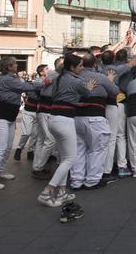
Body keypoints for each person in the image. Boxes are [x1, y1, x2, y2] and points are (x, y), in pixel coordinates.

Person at [38, 54, 95, 207]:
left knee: (65, 157)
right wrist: (89, 88)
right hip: (64, 119)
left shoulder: (58, 78)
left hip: (54, 118)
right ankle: (47, 191)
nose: (82, 68)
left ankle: (62, 192)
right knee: (71, 158)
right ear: (72, 67)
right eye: (80, 66)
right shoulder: (76, 81)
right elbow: (88, 94)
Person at [0, 57, 44, 190]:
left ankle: (0, 171)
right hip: (0, 116)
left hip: (9, 116)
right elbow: (27, 87)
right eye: (15, 64)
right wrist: (45, 82)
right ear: (8, 66)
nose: (17, 65)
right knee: (1, 148)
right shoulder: (7, 79)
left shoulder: (13, 78)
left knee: (7, 146)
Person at [71, 54, 118, 190]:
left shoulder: (74, 78)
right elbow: (114, 91)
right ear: (95, 64)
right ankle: (92, 180)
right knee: (97, 150)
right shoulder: (100, 77)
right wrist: (110, 80)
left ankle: (76, 180)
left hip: (76, 118)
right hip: (95, 117)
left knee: (79, 150)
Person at [101, 50, 136, 179]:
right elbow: (133, 63)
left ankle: (104, 165)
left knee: (104, 136)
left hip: (101, 105)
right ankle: (121, 166)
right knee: (119, 135)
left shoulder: (98, 68)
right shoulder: (117, 69)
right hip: (118, 103)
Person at [32, 58, 62, 180]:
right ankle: (38, 167)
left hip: (44, 109)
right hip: (47, 109)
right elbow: (37, 83)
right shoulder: (54, 75)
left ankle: (37, 166)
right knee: (50, 140)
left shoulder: (54, 74)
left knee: (42, 139)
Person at [15, 65, 47, 162]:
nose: (49, 70)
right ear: (41, 72)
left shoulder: (48, 82)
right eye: (46, 69)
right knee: (27, 132)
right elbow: (33, 93)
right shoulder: (37, 81)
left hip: (38, 112)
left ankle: (31, 151)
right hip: (29, 110)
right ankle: (19, 148)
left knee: (35, 134)